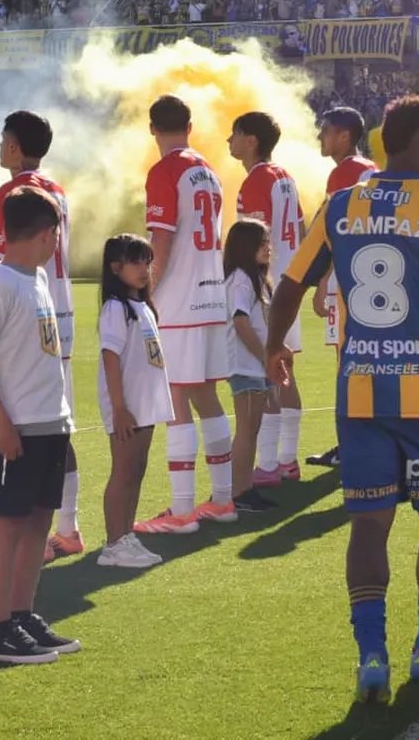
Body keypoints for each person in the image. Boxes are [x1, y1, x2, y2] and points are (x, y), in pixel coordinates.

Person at [265, 95, 419, 702]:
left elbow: (291, 283)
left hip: (360, 397)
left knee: (369, 526)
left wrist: (273, 348)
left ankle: (371, 655)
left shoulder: (340, 205)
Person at [0, 186, 80, 664]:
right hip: (18, 427)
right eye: (57, 233)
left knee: (38, 522)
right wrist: (2, 425)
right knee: (9, 523)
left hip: (50, 421)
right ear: (47, 233)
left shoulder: (38, 278)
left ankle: (22, 615)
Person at [135, 95, 236, 534]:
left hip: (178, 301)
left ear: (152, 128)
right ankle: (223, 499)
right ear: (190, 127)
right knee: (205, 395)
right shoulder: (208, 170)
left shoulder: (165, 170)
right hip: (212, 296)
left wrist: (145, 289)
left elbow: (161, 239)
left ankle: (181, 511)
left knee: (175, 398)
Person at [0, 111, 82, 562]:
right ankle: (68, 526)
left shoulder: (11, 196)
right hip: (59, 313)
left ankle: (29, 534)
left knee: (21, 423)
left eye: (3, 139)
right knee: (56, 423)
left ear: (14, 146)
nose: (0, 146)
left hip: (25, 318)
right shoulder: (57, 190)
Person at [228, 112, 305, 486]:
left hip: (268, 288)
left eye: (235, 134)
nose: (229, 141)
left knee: (268, 370)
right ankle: (286, 460)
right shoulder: (285, 177)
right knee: (285, 370)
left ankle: (271, 463)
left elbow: (254, 239)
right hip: (290, 283)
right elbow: (301, 228)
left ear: (251, 140)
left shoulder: (257, 180)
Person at [95, 233, 173, 569]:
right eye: (135, 262)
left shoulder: (143, 306)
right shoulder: (116, 308)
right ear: (116, 268)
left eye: (147, 262)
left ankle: (127, 535)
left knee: (137, 470)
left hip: (145, 404)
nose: (144, 269)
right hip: (127, 405)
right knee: (123, 471)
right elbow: (110, 357)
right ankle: (114, 544)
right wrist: (119, 407)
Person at [307, 106, 377, 470]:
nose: (321, 137)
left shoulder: (345, 172)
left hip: (349, 279)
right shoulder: (371, 169)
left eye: (326, 131)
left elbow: (337, 229)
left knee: (347, 364)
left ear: (344, 136)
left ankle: (350, 446)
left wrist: (323, 281)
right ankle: (371, 442)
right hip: (373, 277)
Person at [223, 218, 279, 513]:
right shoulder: (240, 280)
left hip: (256, 365)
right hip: (246, 365)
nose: (268, 248)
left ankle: (244, 487)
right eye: (261, 243)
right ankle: (237, 491)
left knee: (252, 428)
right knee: (246, 428)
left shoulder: (257, 279)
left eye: (268, 242)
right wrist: (264, 357)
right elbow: (241, 322)